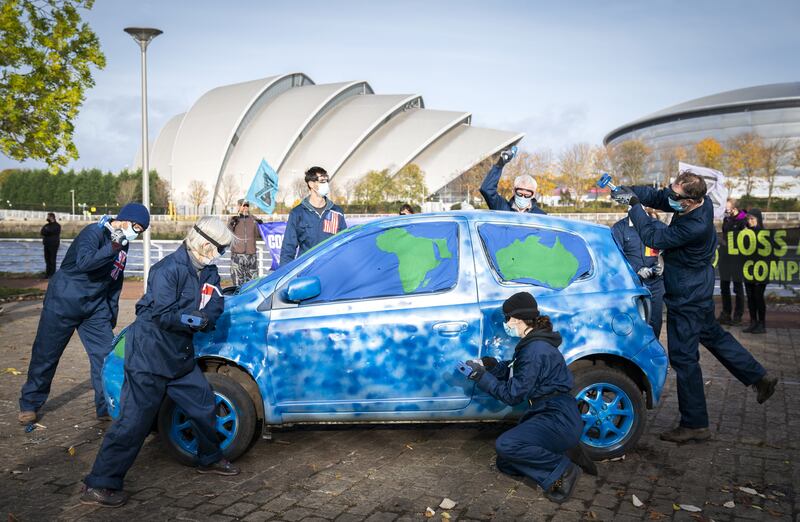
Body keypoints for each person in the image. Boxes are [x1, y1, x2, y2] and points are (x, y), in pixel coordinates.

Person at [81, 217, 239, 508]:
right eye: (220, 248)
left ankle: (209, 457)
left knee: (203, 403)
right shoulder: (166, 270)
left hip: (178, 356)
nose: (222, 254)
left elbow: (216, 302)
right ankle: (100, 483)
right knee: (133, 423)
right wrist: (197, 319)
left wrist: (203, 317)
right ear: (205, 244)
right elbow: (162, 314)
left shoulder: (209, 271)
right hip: (148, 357)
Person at [610, 174, 777, 443]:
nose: (670, 197)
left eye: (676, 196)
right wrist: (629, 191)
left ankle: (695, 423)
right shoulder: (700, 201)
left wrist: (633, 206)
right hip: (698, 289)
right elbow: (660, 197)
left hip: (686, 297)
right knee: (713, 335)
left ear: (690, 201)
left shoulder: (695, 226)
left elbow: (654, 236)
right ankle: (758, 376)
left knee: (684, 358)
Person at [18, 203, 150, 424]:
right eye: (136, 227)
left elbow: (115, 279)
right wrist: (113, 247)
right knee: (46, 354)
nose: (137, 233)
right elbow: (85, 263)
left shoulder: (122, 244)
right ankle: (30, 403)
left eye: (141, 231)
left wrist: (111, 312)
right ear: (125, 220)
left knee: (106, 356)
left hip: (95, 307)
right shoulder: (94, 232)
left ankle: (105, 406)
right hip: (64, 301)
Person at [460, 292, 586, 504]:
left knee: (506, 445)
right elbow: (516, 371)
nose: (505, 323)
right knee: (506, 463)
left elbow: (512, 394)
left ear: (516, 319)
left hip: (557, 418)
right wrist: (490, 365)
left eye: (506, 318)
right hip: (552, 414)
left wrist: (480, 376)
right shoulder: (533, 344)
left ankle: (562, 470)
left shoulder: (534, 350)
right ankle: (556, 456)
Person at [611, 208, 665, 338]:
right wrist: (636, 270)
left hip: (656, 284)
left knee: (655, 321)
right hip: (631, 284)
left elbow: (671, 249)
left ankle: (653, 351)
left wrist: (663, 264)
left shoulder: (658, 226)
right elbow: (615, 256)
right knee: (633, 322)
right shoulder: (619, 228)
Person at [279, 166, 347, 265]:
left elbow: (344, 243)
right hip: (307, 272)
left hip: (332, 270)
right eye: (322, 181)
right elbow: (288, 248)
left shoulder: (337, 211)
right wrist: (284, 275)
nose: (326, 184)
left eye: (326, 180)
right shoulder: (297, 213)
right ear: (311, 184)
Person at [480, 148, 546, 214]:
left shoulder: (540, 216)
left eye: (527, 195)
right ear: (513, 191)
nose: (523, 197)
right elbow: (487, 189)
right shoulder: (501, 208)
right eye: (520, 193)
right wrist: (500, 164)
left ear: (533, 194)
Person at [718, 199, 748, 325]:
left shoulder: (743, 220)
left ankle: (738, 315)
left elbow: (746, 241)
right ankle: (726, 313)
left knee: (737, 287)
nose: (726, 211)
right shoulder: (727, 219)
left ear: (735, 208)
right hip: (725, 257)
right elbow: (725, 235)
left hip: (737, 259)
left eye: (728, 208)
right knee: (724, 286)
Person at [743, 209, 767, 334]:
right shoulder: (745, 232)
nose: (750, 221)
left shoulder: (764, 233)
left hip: (761, 270)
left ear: (758, 219)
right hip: (748, 270)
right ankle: (753, 322)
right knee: (750, 297)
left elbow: (771, 254)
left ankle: (762, 324)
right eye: (748, 219)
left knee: (758, 297)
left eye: (752, 219)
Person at [227, 199, 262, 286]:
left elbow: (260, 235)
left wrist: (261, 226)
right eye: (243, 205)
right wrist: (231, 224)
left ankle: (251, 299)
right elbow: (227, 235)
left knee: (252, 285)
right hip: (237, 257)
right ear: (238, 206)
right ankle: (238, 299)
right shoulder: (233, 219)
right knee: (237, 284)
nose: (245, 207)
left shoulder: (254, 219)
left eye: (247, 205)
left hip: (251, 257)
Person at [41, 212, 61, 278]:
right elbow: (42, 232)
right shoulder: (46, 225)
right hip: (46, 244)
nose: (47, 218)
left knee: (52, 259)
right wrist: (47, 230)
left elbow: (52, 231)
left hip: (53, 245)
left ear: (52, 217)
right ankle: (47, 274)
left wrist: (47, 231)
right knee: (47, 260)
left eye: (48, 217)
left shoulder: (57, 225)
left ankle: (52, 274)